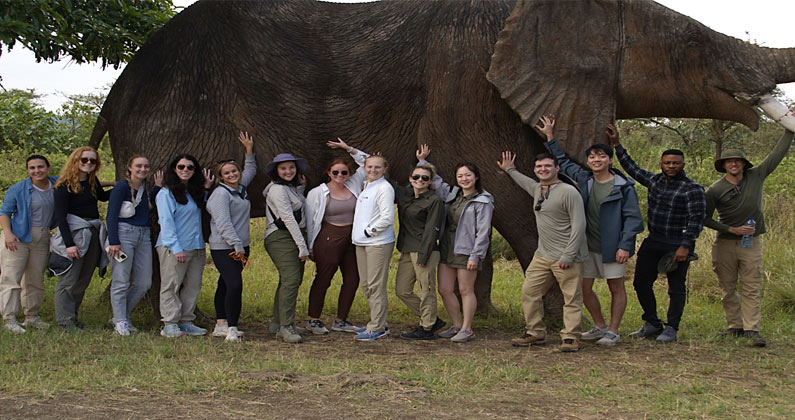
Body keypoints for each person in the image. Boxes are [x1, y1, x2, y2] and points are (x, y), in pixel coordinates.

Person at [541, 117, 644, 346]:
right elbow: (562, 162)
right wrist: (550, 136)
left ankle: (614, 331)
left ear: (609, 160)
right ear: (588, 161)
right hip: (587, 246)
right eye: (592, 157)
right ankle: (600, 326)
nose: (596, 160)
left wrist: (625, 245)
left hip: (613, 247)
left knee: (615, 286)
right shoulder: (585, 180)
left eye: (601, 156)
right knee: (584, 288)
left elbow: (633, 219)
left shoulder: (623, 186)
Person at [609, 126, 706, 343]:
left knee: (676, 287)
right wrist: (617, 145)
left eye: (675, 163)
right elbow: (632, 169)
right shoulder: (654, 181)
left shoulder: (692, 188)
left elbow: (696, 219)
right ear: (661, 164)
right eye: (667, 163)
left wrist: (685, 245)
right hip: (654, 239)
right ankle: (652, 322)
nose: (671, 166)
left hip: (677, 243)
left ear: (683, 164)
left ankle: (671, 327)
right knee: (641, 282)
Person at [704, 130, 793, 348]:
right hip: (724, 243)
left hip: (751, 243)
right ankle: (734, 327)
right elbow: (704, 218)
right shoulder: (715, 189)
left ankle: (752, 329)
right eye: (729, 161)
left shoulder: (757, 175)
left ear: (744, 164)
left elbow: (777, 154)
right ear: (723, 165)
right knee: (727, 287)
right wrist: (730, 229)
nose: (734, 164)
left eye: (737, 161)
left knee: (752, 286)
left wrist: (789, 129)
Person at [499, 147, 588, 353]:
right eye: (539, 166)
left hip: (567, 256)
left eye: (548, 166)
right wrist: (510, 169)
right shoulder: (539, 189)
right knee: (529, 292)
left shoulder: (568, 192)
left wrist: (568, 254)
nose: (543, 169)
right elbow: (526, 182)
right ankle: (535, 332)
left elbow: (579, 225)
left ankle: (571, 336)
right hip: (542, 255)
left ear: (557, 168)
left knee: (571, 297)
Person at [426, 159, 494, 343]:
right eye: (460, 176)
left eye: (468, 175)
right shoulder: (453, 194)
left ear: (476, 177)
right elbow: (436, 181)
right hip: (447, 247)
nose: (464, 179)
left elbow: (483, 232)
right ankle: (456, 325)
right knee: (445, 289)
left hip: (467, 251)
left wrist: (476, 255)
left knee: (465, 289)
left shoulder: (483, 201)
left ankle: (467, 328)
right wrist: (423, 161)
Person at [304, 138, 366, 335]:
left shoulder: (354, 185)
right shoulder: (317, 193)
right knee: (324, 277)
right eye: (335, 172)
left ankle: (342, 320)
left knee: (352, 279)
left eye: (344, 172)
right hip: (329, 238)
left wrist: (349, 149)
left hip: (352, 238)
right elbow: (310, 221)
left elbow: (367, 162)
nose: (340, 175)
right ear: (328, 173)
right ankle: (314, 319)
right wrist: (310, 247)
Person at [51, 146, 111, 330]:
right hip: (75, 234)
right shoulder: (64, 186)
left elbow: (102, 197)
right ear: (75, 161)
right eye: (84, 160)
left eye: (92, 161)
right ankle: (64, 322)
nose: (88, 164)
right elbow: (61, 217)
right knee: (69, 280)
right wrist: (69, 244)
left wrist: (123, 186)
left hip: (93, 233)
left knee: (84, 279)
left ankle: (72, 317)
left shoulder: (93, 183)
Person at [155, 154, 214, 338]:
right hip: (174, 247)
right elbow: (166, 222)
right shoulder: (166, 193)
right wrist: (176, 248)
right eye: (181, 167)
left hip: (196, 247)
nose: (185, 170)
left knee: (193, 285)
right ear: (174, 169)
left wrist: (205, 189)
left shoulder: (193, 193)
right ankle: (170, 324)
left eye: (190, 167)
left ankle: (186, 321)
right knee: (171, 285)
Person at [207, 131, 256, 342]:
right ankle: (232, 329)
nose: (232, 175)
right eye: (227, 173)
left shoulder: (240, 188)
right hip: (224, 247)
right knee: (235, 284)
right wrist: (236, 245)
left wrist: (249, 151)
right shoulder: (220, 194)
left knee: (225, 283)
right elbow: (223, 223)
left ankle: (220, 323)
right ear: (221, 177)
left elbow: (251, 171)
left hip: (242, 246)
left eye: (234, 171)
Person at [0, 155, 58, 333]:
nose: (37, 171)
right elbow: (4, 212)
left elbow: (83, 183)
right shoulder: (19, 189)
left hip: (42, 236)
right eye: (32, 168)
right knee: (11, 278)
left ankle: (31, 316)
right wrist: (8, 234)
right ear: (28, 170)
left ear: (48, 168)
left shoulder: (56, 184)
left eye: (40, 167)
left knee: (35, 278)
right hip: (18, 236)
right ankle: (9, 318)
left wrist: (114, 184)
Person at [106, 155, 163, 336]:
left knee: (144, 282)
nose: (143, 169)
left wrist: (158, 187)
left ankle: (121, 316)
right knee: (121, 279)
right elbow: (111, 215)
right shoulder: (122, 187)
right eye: (138, 166)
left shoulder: (146, 187)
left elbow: (147, 205)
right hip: (124, 233)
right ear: (130, 168)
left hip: (143, 234)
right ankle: (121, 321)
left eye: (146, 166)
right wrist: (114, 241)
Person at [344, 146, 396, 342]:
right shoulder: (367, 185)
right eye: (369, 167)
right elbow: (364, 160)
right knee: (366, 285)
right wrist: (350, 150)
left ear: (385, 169)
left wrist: (368, 231)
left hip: (378, 243)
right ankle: (378, 321)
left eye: (378, 167)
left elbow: (387, 218)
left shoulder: (384, 188)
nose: (373, 170)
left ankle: (378, 327)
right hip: (362, 243)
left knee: (375, 285)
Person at [263, 152, 309, 344]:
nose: (288, 171)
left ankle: (278, 322)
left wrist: (301, 187)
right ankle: (286, 326)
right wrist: (302, 246)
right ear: (276, 171)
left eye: (291, 168)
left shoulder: (288, 188)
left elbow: (298, 203)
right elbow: (288, 218)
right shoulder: (277, 190)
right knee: (291, 279)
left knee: (289, 280)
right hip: (281, 237)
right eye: (283, 168)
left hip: (291, 236)